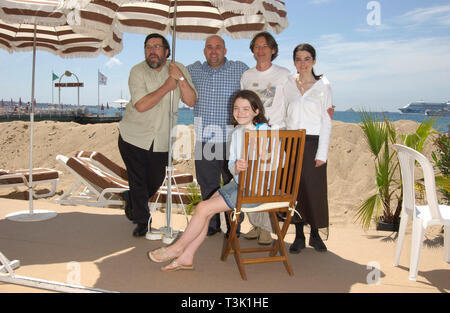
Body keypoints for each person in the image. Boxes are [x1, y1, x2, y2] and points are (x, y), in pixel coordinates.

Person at [147, 90, 269, 271]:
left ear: (256, 111)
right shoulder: (236, 133)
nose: (240, 112)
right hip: (239, 184)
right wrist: (236, 167)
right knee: (204, 210)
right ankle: (186, 257)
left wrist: (260, 156)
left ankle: (178, 248)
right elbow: (232, 164)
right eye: (236, 108)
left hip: (257, 190)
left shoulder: (265, 131)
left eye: (246, 108)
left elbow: (275, 159)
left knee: (203, 208)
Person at [118, 33, 197, 237]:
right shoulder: (137, 71)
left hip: (161, 139)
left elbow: (191, 101)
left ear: (166, 51)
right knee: (138, 180)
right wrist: (167, 87)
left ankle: (131, 198)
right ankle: (143, 222)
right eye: (148, 47)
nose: (152, 51)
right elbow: (142, 105)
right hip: (133, 135)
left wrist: (179, 78)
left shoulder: (178, 68)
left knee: (155, 180)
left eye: (156, 47)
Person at [187, 35, 248, 237]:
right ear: (204, 51)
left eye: (218, 47)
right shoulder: (194, 70)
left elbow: (259, 86)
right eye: (209, 47)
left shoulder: (240, 69)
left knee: (234, 184)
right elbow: (175, 73)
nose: (214, 51)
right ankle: (211, 225)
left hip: (233, 139)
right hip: (205, 139)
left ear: (225, 50)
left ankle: (234, 227)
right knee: (208, 185)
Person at [239, 32, 292, 245]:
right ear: (253, 50)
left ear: (273, 50)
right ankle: (258, 225)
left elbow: (292, 102)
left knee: (267, 183)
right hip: (250, 135)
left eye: (265, 46)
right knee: (251, 182)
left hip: (273, 136)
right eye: (257, 46)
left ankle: (266, 230)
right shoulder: (247, 75)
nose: (260, 50)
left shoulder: (284, 74)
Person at [282, 43, 333, 253]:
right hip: (291, 143)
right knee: (295, 191)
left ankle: (315, 235)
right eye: (298, 59)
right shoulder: (288, 84)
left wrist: (322, 153)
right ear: (294, 62)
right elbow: (282, 114)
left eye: (307, 59)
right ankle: (299, 236)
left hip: (313, 144)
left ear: (314, 61)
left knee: (314, 191)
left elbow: (327, 121)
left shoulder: (324, 86)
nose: (302, 63)